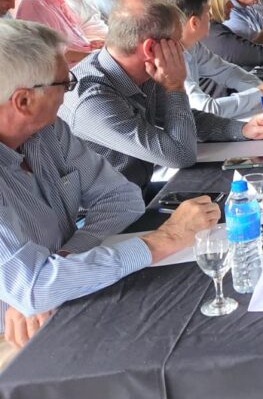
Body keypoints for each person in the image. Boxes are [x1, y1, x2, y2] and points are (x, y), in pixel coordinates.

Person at [0, 19, 219, 362]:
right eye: (64, 81)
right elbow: (33, 288)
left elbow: (122, 197)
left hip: (71, 299)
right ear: (24, 101)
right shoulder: (85, 104)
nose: (69, 90)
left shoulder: (47, 132)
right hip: (16, 338)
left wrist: (66, 263)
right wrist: (164, 239)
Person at [57, 0, 263, 191]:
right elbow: (180, 155)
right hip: (106, 220)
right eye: (177, 43)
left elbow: (184, 116)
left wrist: (242, 129)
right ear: (151, 49)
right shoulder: (92, 100)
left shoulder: (139, 69)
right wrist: (175, 86)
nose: (183, 51)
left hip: (137, 193)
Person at [151, 0, 263, 119]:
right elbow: (206, 109)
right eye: (207, 12)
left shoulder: (192, 45)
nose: (211, 17)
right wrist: (258, 94)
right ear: (194, 23)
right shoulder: (166, 59)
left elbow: (227, 71)